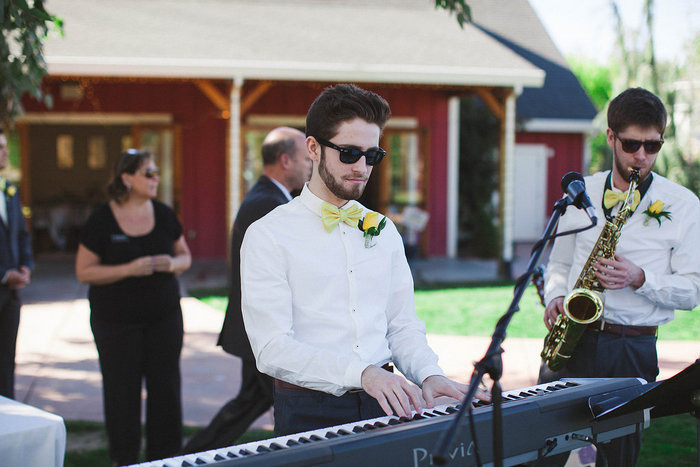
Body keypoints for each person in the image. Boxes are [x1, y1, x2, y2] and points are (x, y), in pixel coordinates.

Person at [241, 83, 487, 437]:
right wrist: (363, 373)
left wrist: (429, 374)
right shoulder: (268, 235)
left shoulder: (383, 230)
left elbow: (402, 326)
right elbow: (272, 349)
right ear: (313, 148)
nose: (361, 167)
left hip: (385, 405)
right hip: (309, 411)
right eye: (349, 153)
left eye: (371, 156)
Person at [540, 87, 700, 466]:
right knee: (543, 451)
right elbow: (558, 265)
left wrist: (642, 277)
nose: (641, 156)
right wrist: (555, 296)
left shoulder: (684, 205)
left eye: (652, 146)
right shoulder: (580, 193)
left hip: (631, 349)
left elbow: (693, 290)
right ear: (611, 137)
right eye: (631, 144)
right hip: (571, 340)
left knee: (617, 456)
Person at [182, 126, 311, 453]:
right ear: (285, 161)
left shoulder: (269, 198)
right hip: (261, 330)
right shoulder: (265, 204)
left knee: (255, 401)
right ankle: (192, 456)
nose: (311, 164)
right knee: (283, 403)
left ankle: (194, 455)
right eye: (305, 158)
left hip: (258, 329)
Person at [75, 149, 191, 465]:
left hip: (164, 319)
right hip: (115, 324)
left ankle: (165, 459)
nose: (156, 179)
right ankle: (124, 459)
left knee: (166, 389)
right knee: (121, 392)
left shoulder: (164, 214)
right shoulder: (101, 219)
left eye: (156, 172)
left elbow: (185, 257)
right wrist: (128, 268)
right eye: (148, 173)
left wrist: (172, 263)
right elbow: (84, 271)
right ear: (127, 179)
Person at [0, 128, 33, 399]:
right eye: (0, 148)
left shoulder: (9, 191)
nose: (5, 153)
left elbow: (21, 234)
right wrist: (2, 275)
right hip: (3, 282)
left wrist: (26, 266)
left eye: (5, 147)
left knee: (6, 359)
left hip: (11, 296)